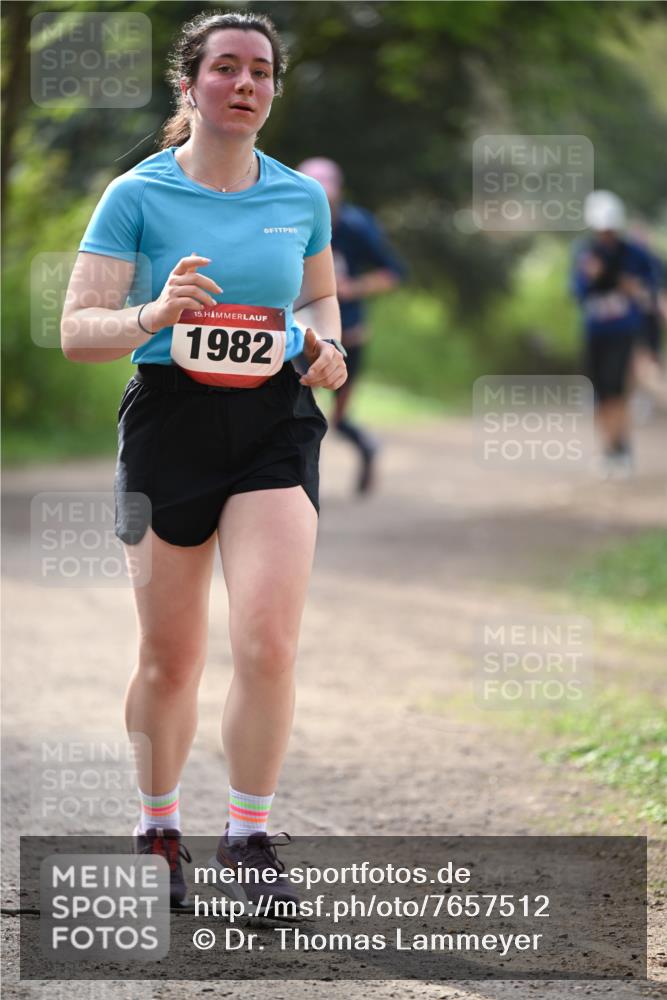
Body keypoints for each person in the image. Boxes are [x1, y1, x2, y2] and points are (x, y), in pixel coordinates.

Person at [60, 10, 347, 909]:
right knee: (170, 657)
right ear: (189, 85)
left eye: (260, 71)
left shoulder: (299, 198)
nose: (245, 84)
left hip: (274, 422)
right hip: (168, 423)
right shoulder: (135, 195)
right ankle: (156, 825)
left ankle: (251, 840)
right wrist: (154, 314)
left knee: (267, 641)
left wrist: (327, 350)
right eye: (225, 68)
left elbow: (321, 299)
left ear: (272, 89)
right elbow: (76, 333)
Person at [297, 158, 405, 493]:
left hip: (349, 335)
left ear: (338, 192)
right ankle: (297, 485)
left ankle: (367, 451)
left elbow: (393, 273)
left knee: (340, 420)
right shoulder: (287, 220)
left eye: (327, 197)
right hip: (299, 334)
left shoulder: (357, 226)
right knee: (295, 411)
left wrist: (351, 288)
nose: (322, 205)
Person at [572, 190, 659, 476]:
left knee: (617, 390)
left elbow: (649, 286)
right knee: (600, 393)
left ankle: (622, 449)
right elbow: (578, 292)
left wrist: (622, 283)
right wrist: (596, 279)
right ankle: (608, 448)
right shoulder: (585, 254)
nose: (605, 234)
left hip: (623, 331)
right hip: (595, 332)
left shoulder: (634, 254)